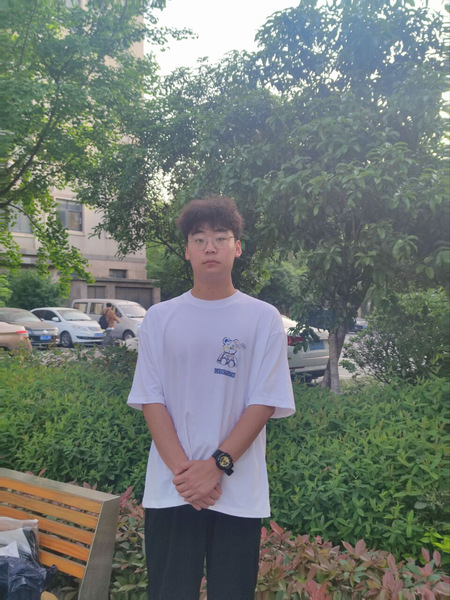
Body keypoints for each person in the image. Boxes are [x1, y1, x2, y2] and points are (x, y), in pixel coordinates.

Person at [127, 195, 295, 600]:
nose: (210, 247)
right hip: (173, 488)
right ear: (187, 251)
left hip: (237, 491)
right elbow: (151, 398)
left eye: (221, 238)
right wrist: (188, 476)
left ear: (238, 247)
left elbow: (264, 400)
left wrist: (217, 466)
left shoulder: (263, 318)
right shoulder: (160, 318)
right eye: (199, 239)